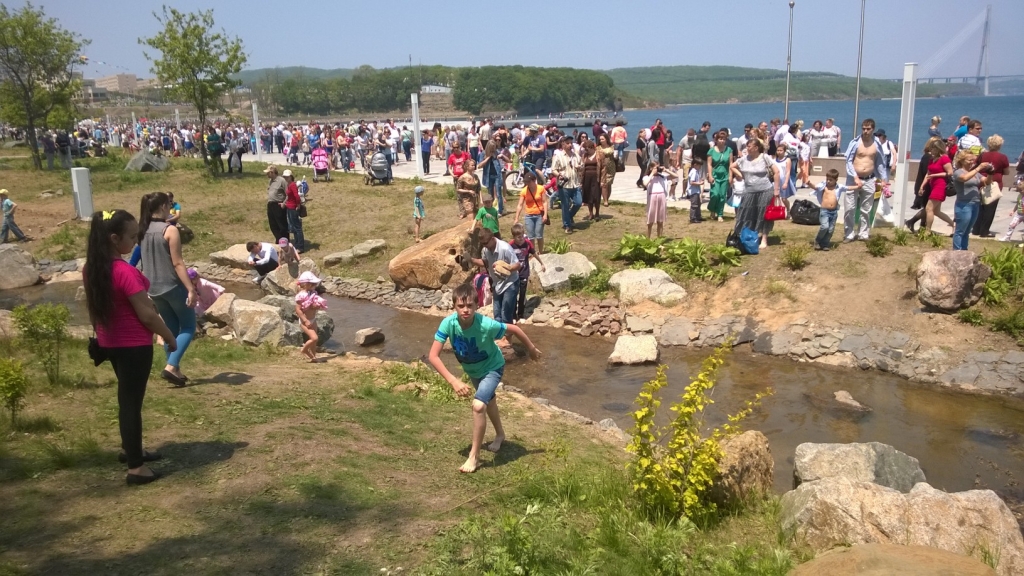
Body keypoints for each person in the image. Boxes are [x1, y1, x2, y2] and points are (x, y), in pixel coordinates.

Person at [83, 209, 177, 485]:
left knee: (127, 398)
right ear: (114, 238)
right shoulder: (124, 271)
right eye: (132, 237)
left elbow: (94, 311)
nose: (136, 242)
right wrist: (169, 336)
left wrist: (99, 336)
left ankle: (130, 449)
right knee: (131, 402)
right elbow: (147, 314)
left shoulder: (92, 269)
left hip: (110, 342)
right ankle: (136, 467)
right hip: (134, 345)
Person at [426, 282, 541, 473]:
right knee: (490, 403)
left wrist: (531, 349)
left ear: (477, 305)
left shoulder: (485, 324)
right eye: (461, 306)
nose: (465, 310)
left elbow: (514, 329)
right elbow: (433, 356)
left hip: (493, 368)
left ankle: (474, 457)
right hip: (473, 371)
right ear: (454, 306)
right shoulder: (448, 323)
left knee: (479, 406)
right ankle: (500, 435)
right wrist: (453, 381)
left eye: (470, 306)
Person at [138, 192, 196, 388]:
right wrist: (190, 289)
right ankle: (171, 366)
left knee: (170, 328)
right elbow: (178, 263)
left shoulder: (142, 230)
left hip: (152, 288)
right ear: (163, 206)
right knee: (188, 326)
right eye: (169, 205)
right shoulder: (169, 230)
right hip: (171, 285)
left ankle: (175, 369)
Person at [843, 119, 889, 242]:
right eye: (863, 128)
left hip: (869, 179)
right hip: (854, 180)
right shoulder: (855, 143)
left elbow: (880, 163)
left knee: (866, 209)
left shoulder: (877, 144)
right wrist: (855, 177)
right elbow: (848, 161)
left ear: (873, 129)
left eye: (868, 129)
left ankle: (863, 234)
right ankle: (849, 234)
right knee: (849, 208)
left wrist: (883, 179)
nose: (865, 131)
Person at [731, 138, 781, 251]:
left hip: (765, 190)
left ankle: (764, 238)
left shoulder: (764, 157)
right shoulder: (744, 159)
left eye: (749, 146)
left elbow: (776, 172)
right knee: (744, 213)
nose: (747, 148)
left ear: (756, 148)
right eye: (746, 146)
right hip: (749, 191)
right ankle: (743, 235)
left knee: (763, 214)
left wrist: (776, 190)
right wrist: (742, 175)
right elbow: (732, 166)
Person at [472, 227, 520, 326]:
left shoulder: (505, 248)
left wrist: (508, 268)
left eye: (486, 243)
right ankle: (499, 337)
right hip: (497, 284)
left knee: (506, 314)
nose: (484, 246)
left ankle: (507, 339)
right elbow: (484, 263)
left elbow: (517, 264)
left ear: (492, 238)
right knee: (497, 314)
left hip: (510, 283)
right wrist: (471, 260)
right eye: (482, 244)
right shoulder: (485, 249)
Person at [951, 149, 993, 251]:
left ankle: (964, 251)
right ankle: (957, 251)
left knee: (967, 231)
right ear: (961, 160)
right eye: (969, 160)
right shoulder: (958, 172)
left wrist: (990, 173)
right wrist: (979, 167)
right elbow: (964, 178)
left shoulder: (974, 173)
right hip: (964, 205)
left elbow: (986, 181)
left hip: (975, 204)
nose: (972, 162)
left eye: (973, 160)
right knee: (960, 230)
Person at [973, 134, 1011, 238]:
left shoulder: (982, 155)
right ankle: (984, 231)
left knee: (980, 206)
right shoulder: (1002, 157)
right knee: (990, 208)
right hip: (995, 183)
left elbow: (976, 166)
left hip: (981, 180)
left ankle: (976, 229)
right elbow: (1007, 172)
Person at [509, 223, 545, 324]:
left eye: (522, 236)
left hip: (524, 273)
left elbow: (534, 254)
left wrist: (542, 263)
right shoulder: (510, 245)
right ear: (514, 237)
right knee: (513, 295)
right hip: (513, 274)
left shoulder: (527, 244)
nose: (521, 239)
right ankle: (513, 315)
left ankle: (521, 314)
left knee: (522, 294)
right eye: (518, 237)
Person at [905, 138, 939, 233]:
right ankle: (913, 222)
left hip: (926, 185)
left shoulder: (928, 156)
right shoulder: (928, 157)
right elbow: (926, 172)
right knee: (929, 208)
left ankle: (920, 227)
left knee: (928, 208)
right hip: (925, 186)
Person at [921, 138, 955, 233]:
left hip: (940, 185)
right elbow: (928, 174)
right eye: (931, 148)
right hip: (933, 185)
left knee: (929, 208)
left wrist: (935, 175)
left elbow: (950, 172)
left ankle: (928, 231)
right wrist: (922, 186)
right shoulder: (932, 160)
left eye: (934, 148)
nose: (932, 150)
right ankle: (953, 224)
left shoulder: (944, 158)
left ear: (939, 148)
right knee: (936, 211)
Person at [294, 271, 327, 363]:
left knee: (314, 342)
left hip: (313, 319)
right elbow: (298, 310)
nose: (315, 286)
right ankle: (304, 350)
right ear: (307, 284)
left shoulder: (313, 292)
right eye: (313, 284)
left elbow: (312, 306)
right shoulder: (301, 295)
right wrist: (305, 320)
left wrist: (316, 306)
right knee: (314, 338)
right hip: (305, 321)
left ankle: (314, 357)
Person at [552, 136, 582, 234]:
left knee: (578, 202)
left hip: (575, 183)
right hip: (564, 185)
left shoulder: (576, 155)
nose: (570, 145)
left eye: (571, 143)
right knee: (565, 205)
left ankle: (568, 217)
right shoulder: (558, 155)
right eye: (568, 143)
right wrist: (559, 174)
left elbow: (582, 165)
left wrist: (579, 167)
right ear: (563, 144)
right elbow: (553, 169)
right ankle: (567, 225)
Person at [513, 172, 548, 254]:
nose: (527, 183)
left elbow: (545, 202)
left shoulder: (541, 188)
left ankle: (541, 251)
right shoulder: (524, 191)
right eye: (526, 182)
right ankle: (533, 252)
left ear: (534, 180)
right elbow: (520, 205)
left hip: (539, 214)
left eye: (529, 181)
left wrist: (545, 214)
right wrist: (516, 218)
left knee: (539, 235)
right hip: (529, 215)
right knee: (531, 236)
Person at [814, 169, 846, 251]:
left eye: (830, 180)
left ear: (836, 180)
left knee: (830, 229)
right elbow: (815, 188)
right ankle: (817, 240)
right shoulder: (824, 186)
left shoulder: (839, 187)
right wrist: (808, 183)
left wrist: (858, 186)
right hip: (824, 211)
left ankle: (825, 244)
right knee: (825, 227)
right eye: (827, 179)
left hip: (834, 212)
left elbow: (848, 188)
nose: (828, 181)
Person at [707, 130, 732, 222]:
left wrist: (730, 176)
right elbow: (709, 164)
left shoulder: (729, 150)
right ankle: (712, 208)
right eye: (720, 139)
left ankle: (720, 214)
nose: (722, 141)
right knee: (715, 194)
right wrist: (710, 175)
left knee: (722, 196)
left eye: (724, 139)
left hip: (725, 175)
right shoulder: (711, 151)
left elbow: (730, 164)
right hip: (715, 175)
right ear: (716, 140)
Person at [263, 165, 289, 244]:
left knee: (282, 225)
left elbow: (288, 193)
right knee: (273, 225)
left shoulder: (281, 181)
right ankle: (279, 240)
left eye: (268, 173)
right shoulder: (270, 181)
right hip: (271, 204)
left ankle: (285, 241)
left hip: (278, 204)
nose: (267, 175)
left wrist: (284, 203)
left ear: (272, 172)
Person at [281, 169, 305, 252]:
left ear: (291, 177)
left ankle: (300, 246)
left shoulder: (292, 185)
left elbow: (296, 196)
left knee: (297, 227)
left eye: (287, 177)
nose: (286, 178)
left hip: (293, 208)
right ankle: (297, 244)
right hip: (289, 207)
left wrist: (298, 205)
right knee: (293, 227)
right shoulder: (289, 184)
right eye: (285, 177)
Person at [644, 162, 669, 238]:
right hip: (652, 197)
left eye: (657, 167)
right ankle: (648, 238)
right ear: (651, 168)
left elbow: (676, 176)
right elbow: (645, 183)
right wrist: (652, 173)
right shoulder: (647, 177)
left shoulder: (662, 177)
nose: (657, 169)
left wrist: (666, 170)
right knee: (650, 220)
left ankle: (659, 238)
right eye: (655, 167)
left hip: (661, 197)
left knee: (660, 220)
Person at [580, 140, 602, 221]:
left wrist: (602, 180)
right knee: (588, 195)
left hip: (596, 178)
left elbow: (603, 168)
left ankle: (597, 213)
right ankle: (591, 213)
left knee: (596, 195)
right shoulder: (585, 156)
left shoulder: (598, 155)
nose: (586, 151)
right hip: (586, 178)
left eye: (587, 149)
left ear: (592, 147)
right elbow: (582, 167)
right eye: (585, 149)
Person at [597, 133, 616, 208]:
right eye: (600, 139)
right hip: (602, 167)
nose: (601, 141)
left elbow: (610, 152)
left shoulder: (611, 146)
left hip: (611, 167)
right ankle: (605, 200)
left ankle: (607, 198)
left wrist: (603, 152)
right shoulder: (598, 147)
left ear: (606, 139)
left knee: (609, 184)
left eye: (602, 139)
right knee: (604, 184)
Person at [687, 157, 705, 224]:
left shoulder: (696, 171)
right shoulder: (693, 172)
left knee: (698, 204)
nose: (700, 167)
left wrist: (699, 181)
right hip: (693, 191)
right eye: (699, 165)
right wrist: (699, 183)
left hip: (696, 191)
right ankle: (693, 218)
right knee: (694, 205)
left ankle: (698, 216)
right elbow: (691, 182)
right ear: (695, 165)